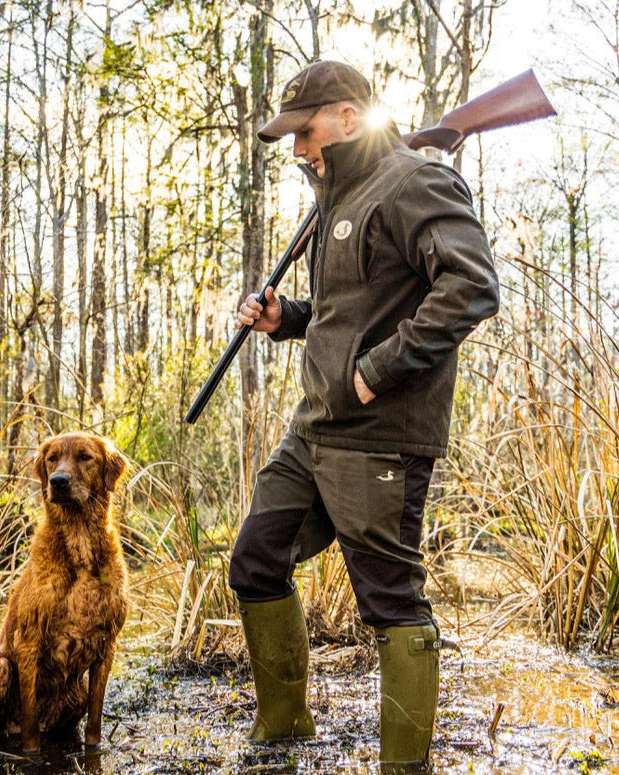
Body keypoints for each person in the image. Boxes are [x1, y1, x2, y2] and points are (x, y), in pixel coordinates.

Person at [228, 60, 499, 771]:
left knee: (389, 602)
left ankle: (402, 767)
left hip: (379, 434)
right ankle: (281, 735)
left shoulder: (415, 180)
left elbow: (469, 286)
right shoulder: (335, 198)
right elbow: (350, 312)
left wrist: (375, 375)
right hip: (313, 427)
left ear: (348, 117)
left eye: (304, 131)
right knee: (256, 559)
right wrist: (286, 317)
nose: (295, 149)